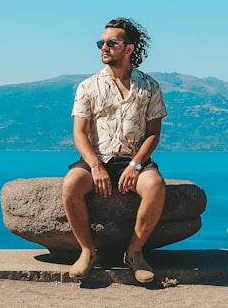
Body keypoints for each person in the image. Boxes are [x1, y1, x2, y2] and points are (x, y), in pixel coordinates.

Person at [61, 17, 168, 284]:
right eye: (101, 43)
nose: (103, 47)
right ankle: (87, 251)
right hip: (96, 158)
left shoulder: (149, 87)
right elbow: (79, 133)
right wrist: (95, 166)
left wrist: (136, 165)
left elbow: (153, 133)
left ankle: (134, 252)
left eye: (111, 42)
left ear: (129, 48)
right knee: (71, 184)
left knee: (155, 185)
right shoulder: (88, 86)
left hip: (133, 159)